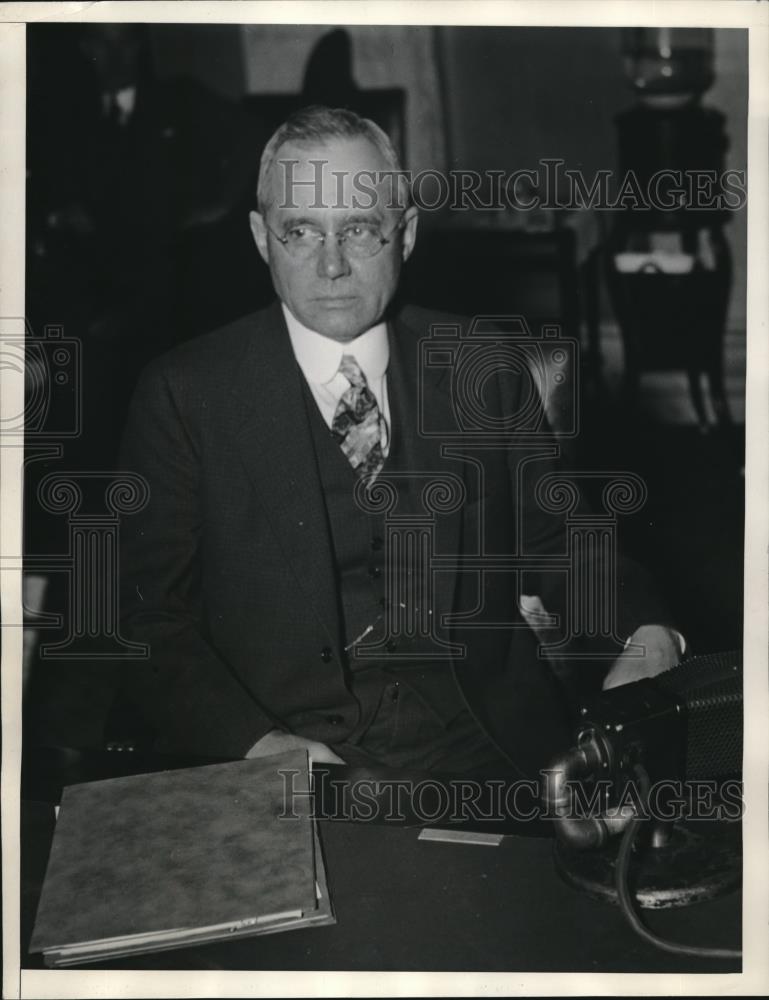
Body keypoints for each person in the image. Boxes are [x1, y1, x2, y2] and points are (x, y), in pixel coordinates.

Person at [117, 106, 682, 777]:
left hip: (483, 741)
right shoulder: (184, 394)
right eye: (299, 232)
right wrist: (258, 746)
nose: (330, 266)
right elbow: (146, 619)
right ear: (261, 238)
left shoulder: (482, 367)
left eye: (358, 229)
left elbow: (554, 543)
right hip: (280, 748)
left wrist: (646, 630)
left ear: (405, 233)